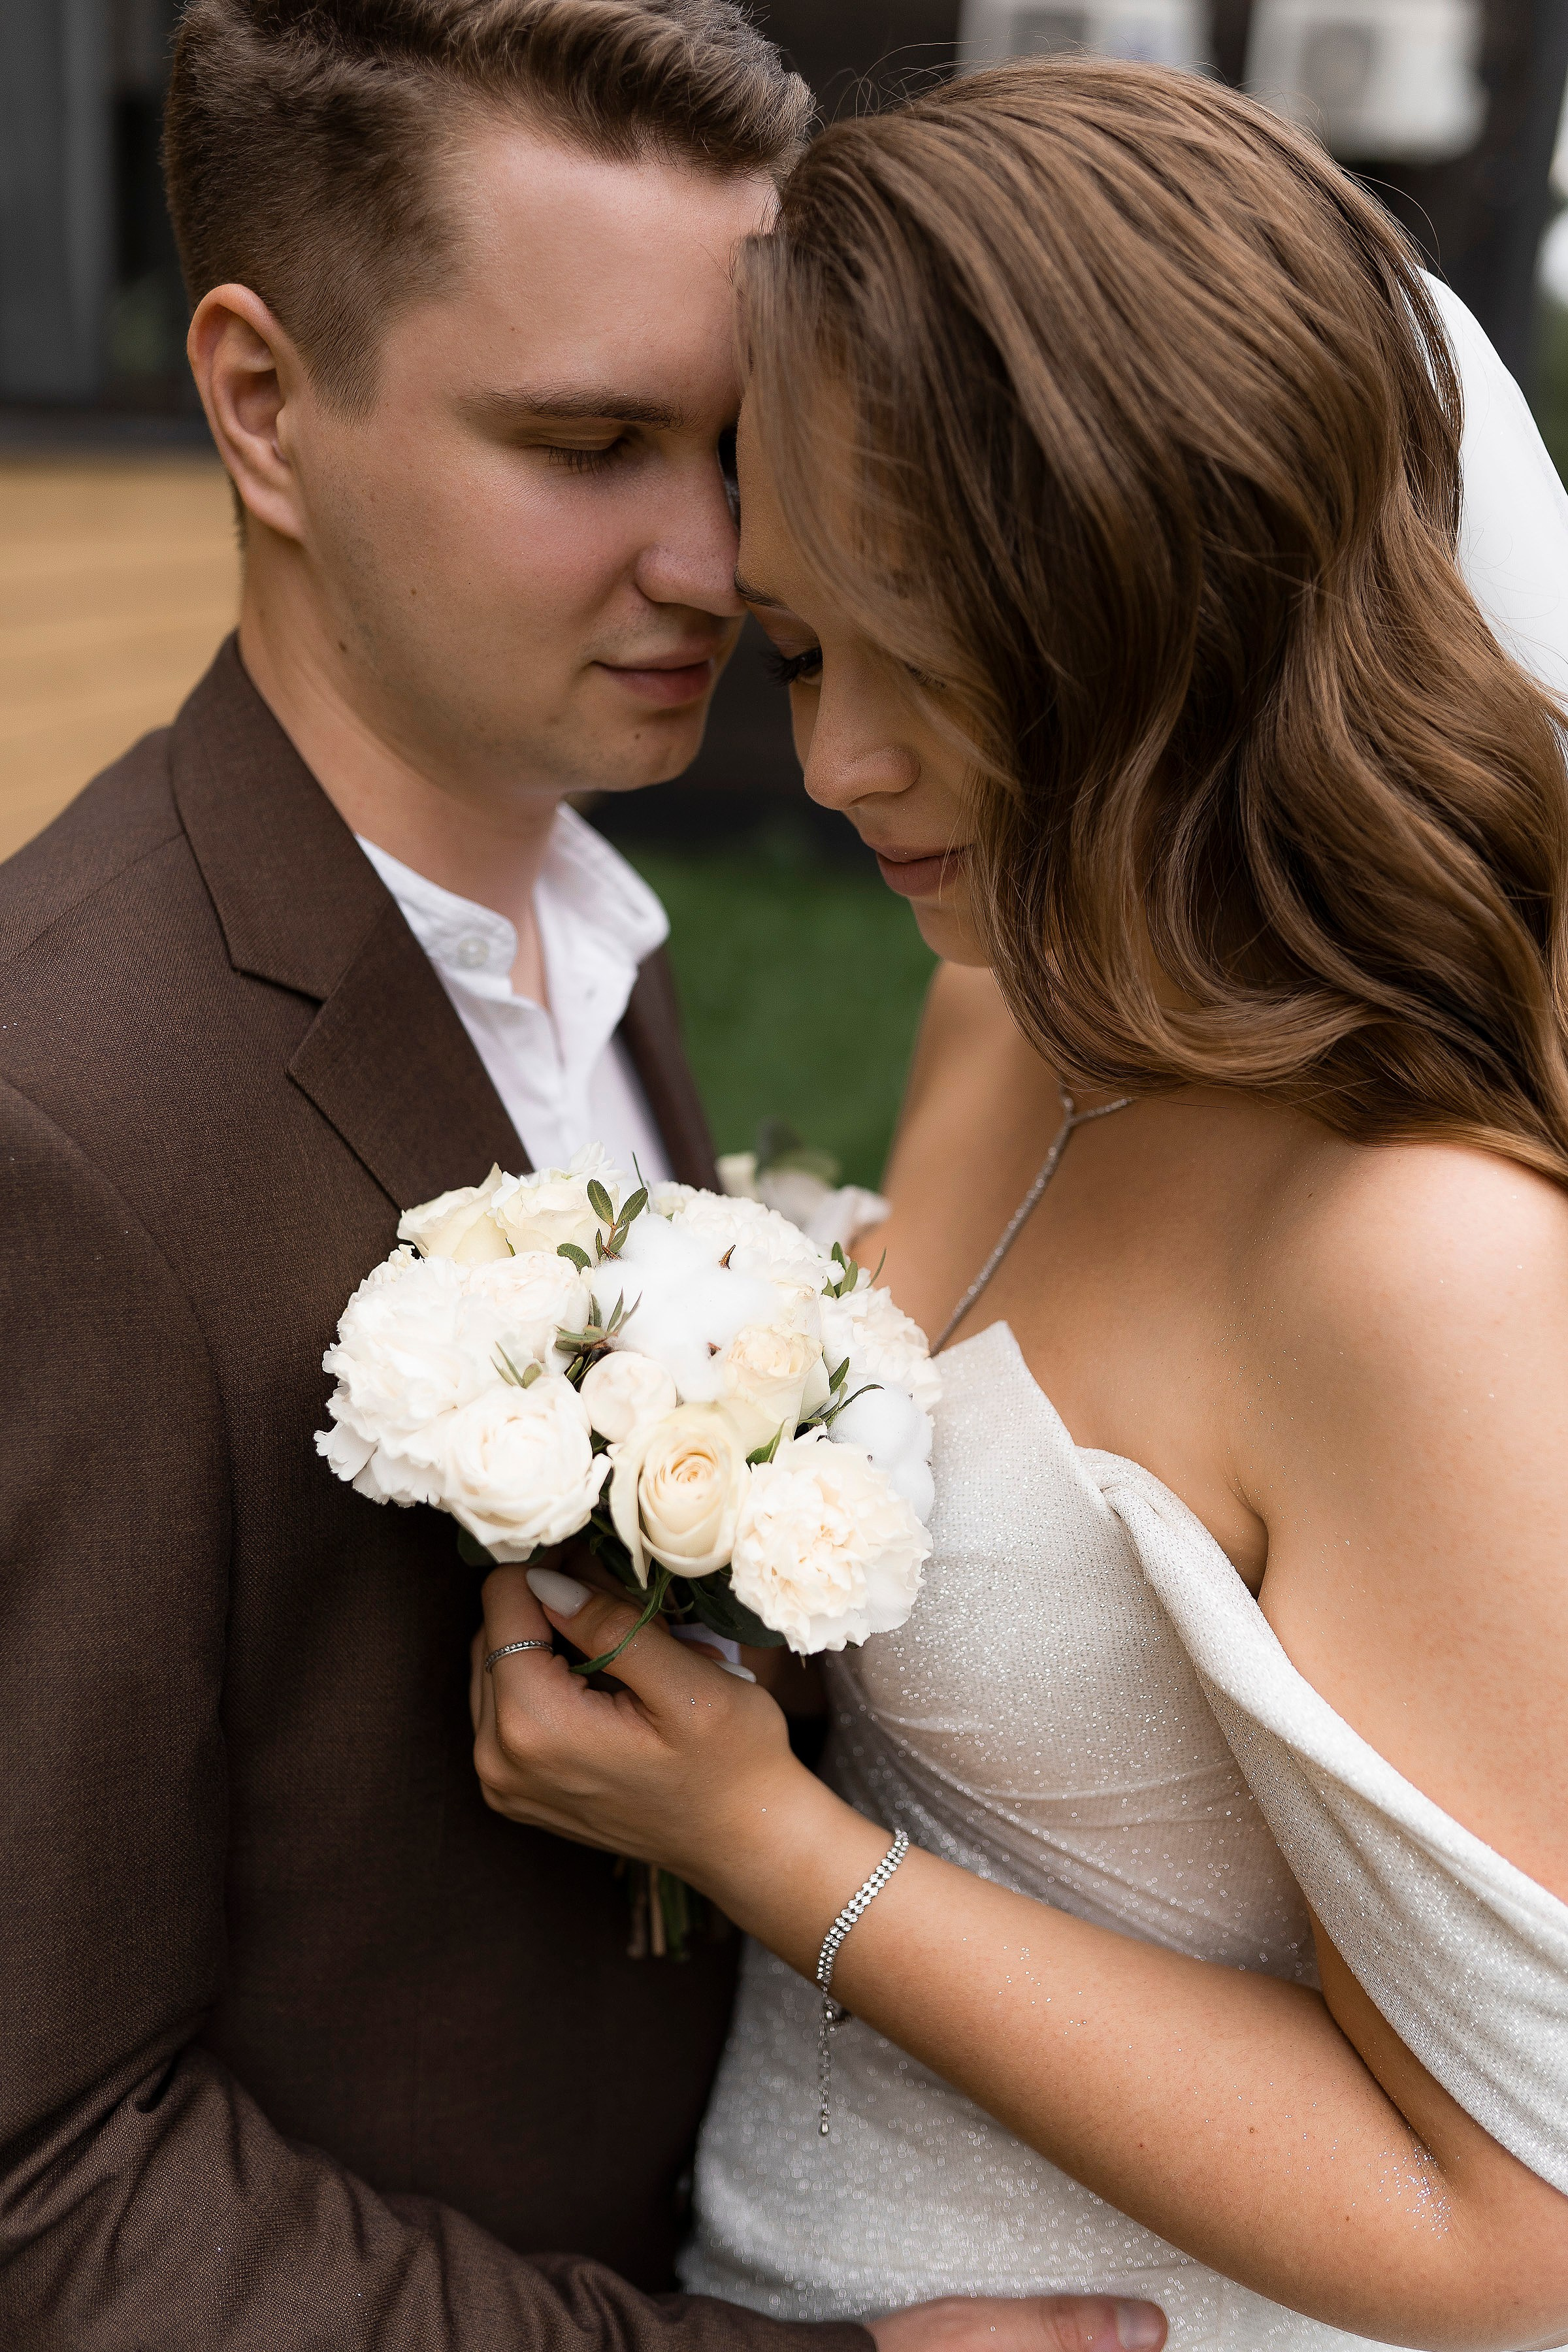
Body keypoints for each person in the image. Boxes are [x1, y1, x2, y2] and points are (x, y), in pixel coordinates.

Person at [0, 8, 1161, 2351]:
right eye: (589, 444)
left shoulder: (581, 920)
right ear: (258, 403)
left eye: (733, 444)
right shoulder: (58, 1122)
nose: (717, 558)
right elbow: (41, 2177)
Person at [465, 58, 1568, 2352]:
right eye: (797, 652)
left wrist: (767, 1848)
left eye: (930, 658)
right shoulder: (1014, 999)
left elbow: (1516, 2233)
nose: (842, 761)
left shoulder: (1419, 1262)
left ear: (1171, 591)